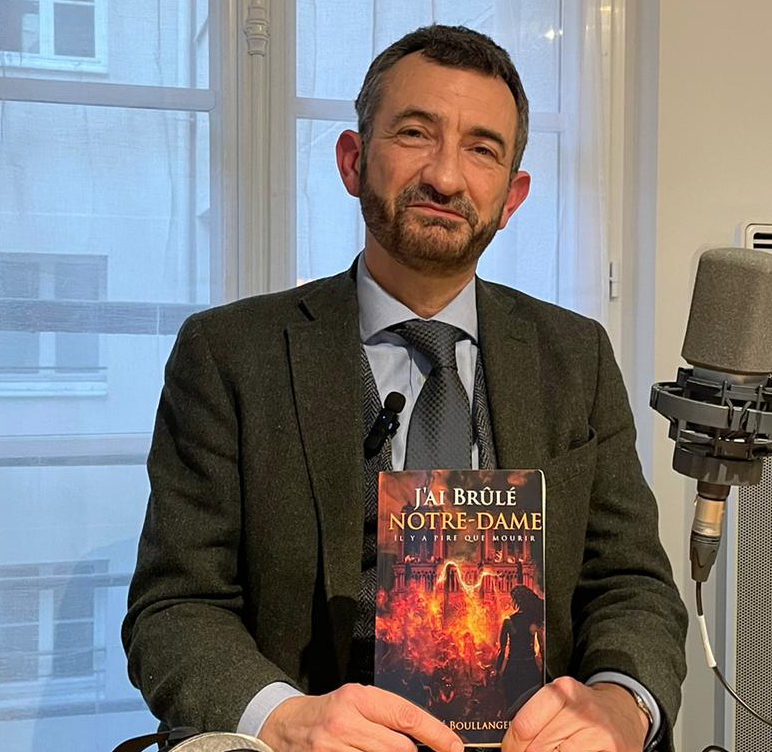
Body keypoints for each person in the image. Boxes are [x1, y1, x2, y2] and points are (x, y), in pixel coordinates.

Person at [123, 24, 687, 752]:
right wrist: (284, 719)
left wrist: (619, 705)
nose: (446, 178)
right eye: (415, 133)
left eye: (481, 149)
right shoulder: (228, 354)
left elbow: (631, 584)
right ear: (353, 161)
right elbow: (175, 606)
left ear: (511, 197)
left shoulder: (575, 356)